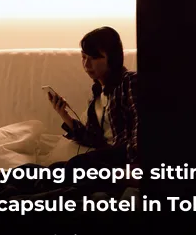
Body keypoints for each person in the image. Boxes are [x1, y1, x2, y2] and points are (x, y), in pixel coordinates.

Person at [48, 26, 138, 186]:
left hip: (125, 158)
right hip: (108, 158)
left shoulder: (130, 82)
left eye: (94, 58)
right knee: (54, 170)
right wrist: (64, 114)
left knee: (76, 166)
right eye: (83, 57)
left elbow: (141, 126)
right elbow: (93, 139)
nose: (86, 64)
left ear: (112, 58)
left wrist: (132, 169)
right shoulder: (97, 94)